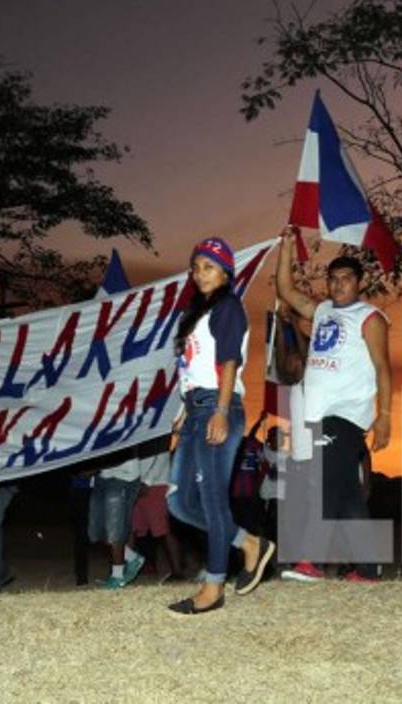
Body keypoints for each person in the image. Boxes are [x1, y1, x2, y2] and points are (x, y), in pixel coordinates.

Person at [275, 227, 392, 583]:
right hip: (318, 414)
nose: (339, 284)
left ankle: (310, 560)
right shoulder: (323, 309)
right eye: (334, 278)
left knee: (325, 483)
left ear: (359, 283)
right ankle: (369, 569)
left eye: (346, 278)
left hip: (347, 413)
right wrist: (284, 249)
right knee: (346, 494)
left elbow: (383, 367)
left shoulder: (369, 317)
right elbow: (286, 291)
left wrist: (384, 416)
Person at [166, 237, 275, 615]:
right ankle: (248, 544)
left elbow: (228, 362)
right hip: (195, 408)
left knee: (213, 503)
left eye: (209, 266)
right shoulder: (196, 313)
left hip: (218, 404)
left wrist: (222, 410)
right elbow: (190, 371)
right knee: (179, 502)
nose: (200, 274)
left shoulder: (229, 307)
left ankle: (213, 587)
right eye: (196, 267)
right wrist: (181, 417)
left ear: (226, 271)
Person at [129, 437, 184, 581]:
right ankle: (125, 570)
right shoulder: (140, 431)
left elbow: (162, 457)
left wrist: (147, 482)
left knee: (164, 530)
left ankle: (177, 571)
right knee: (131, 529)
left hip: (157, 485)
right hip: (138, 485)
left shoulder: (158, 431)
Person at [88, 450, 144, 590]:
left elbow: (130, 447)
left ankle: (117, 576)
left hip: (124, 476)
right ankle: (132, 558)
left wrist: (96, 464)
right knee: (96, 531)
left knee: (114, 528)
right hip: (101, 476)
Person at [230, 411, 268, 536]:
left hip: (247, 489)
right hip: (241, 489)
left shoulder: (252, 444)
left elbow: (264, 467)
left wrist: (260, 422)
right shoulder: (245, 444)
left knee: (245, 519)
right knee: (242, 518)